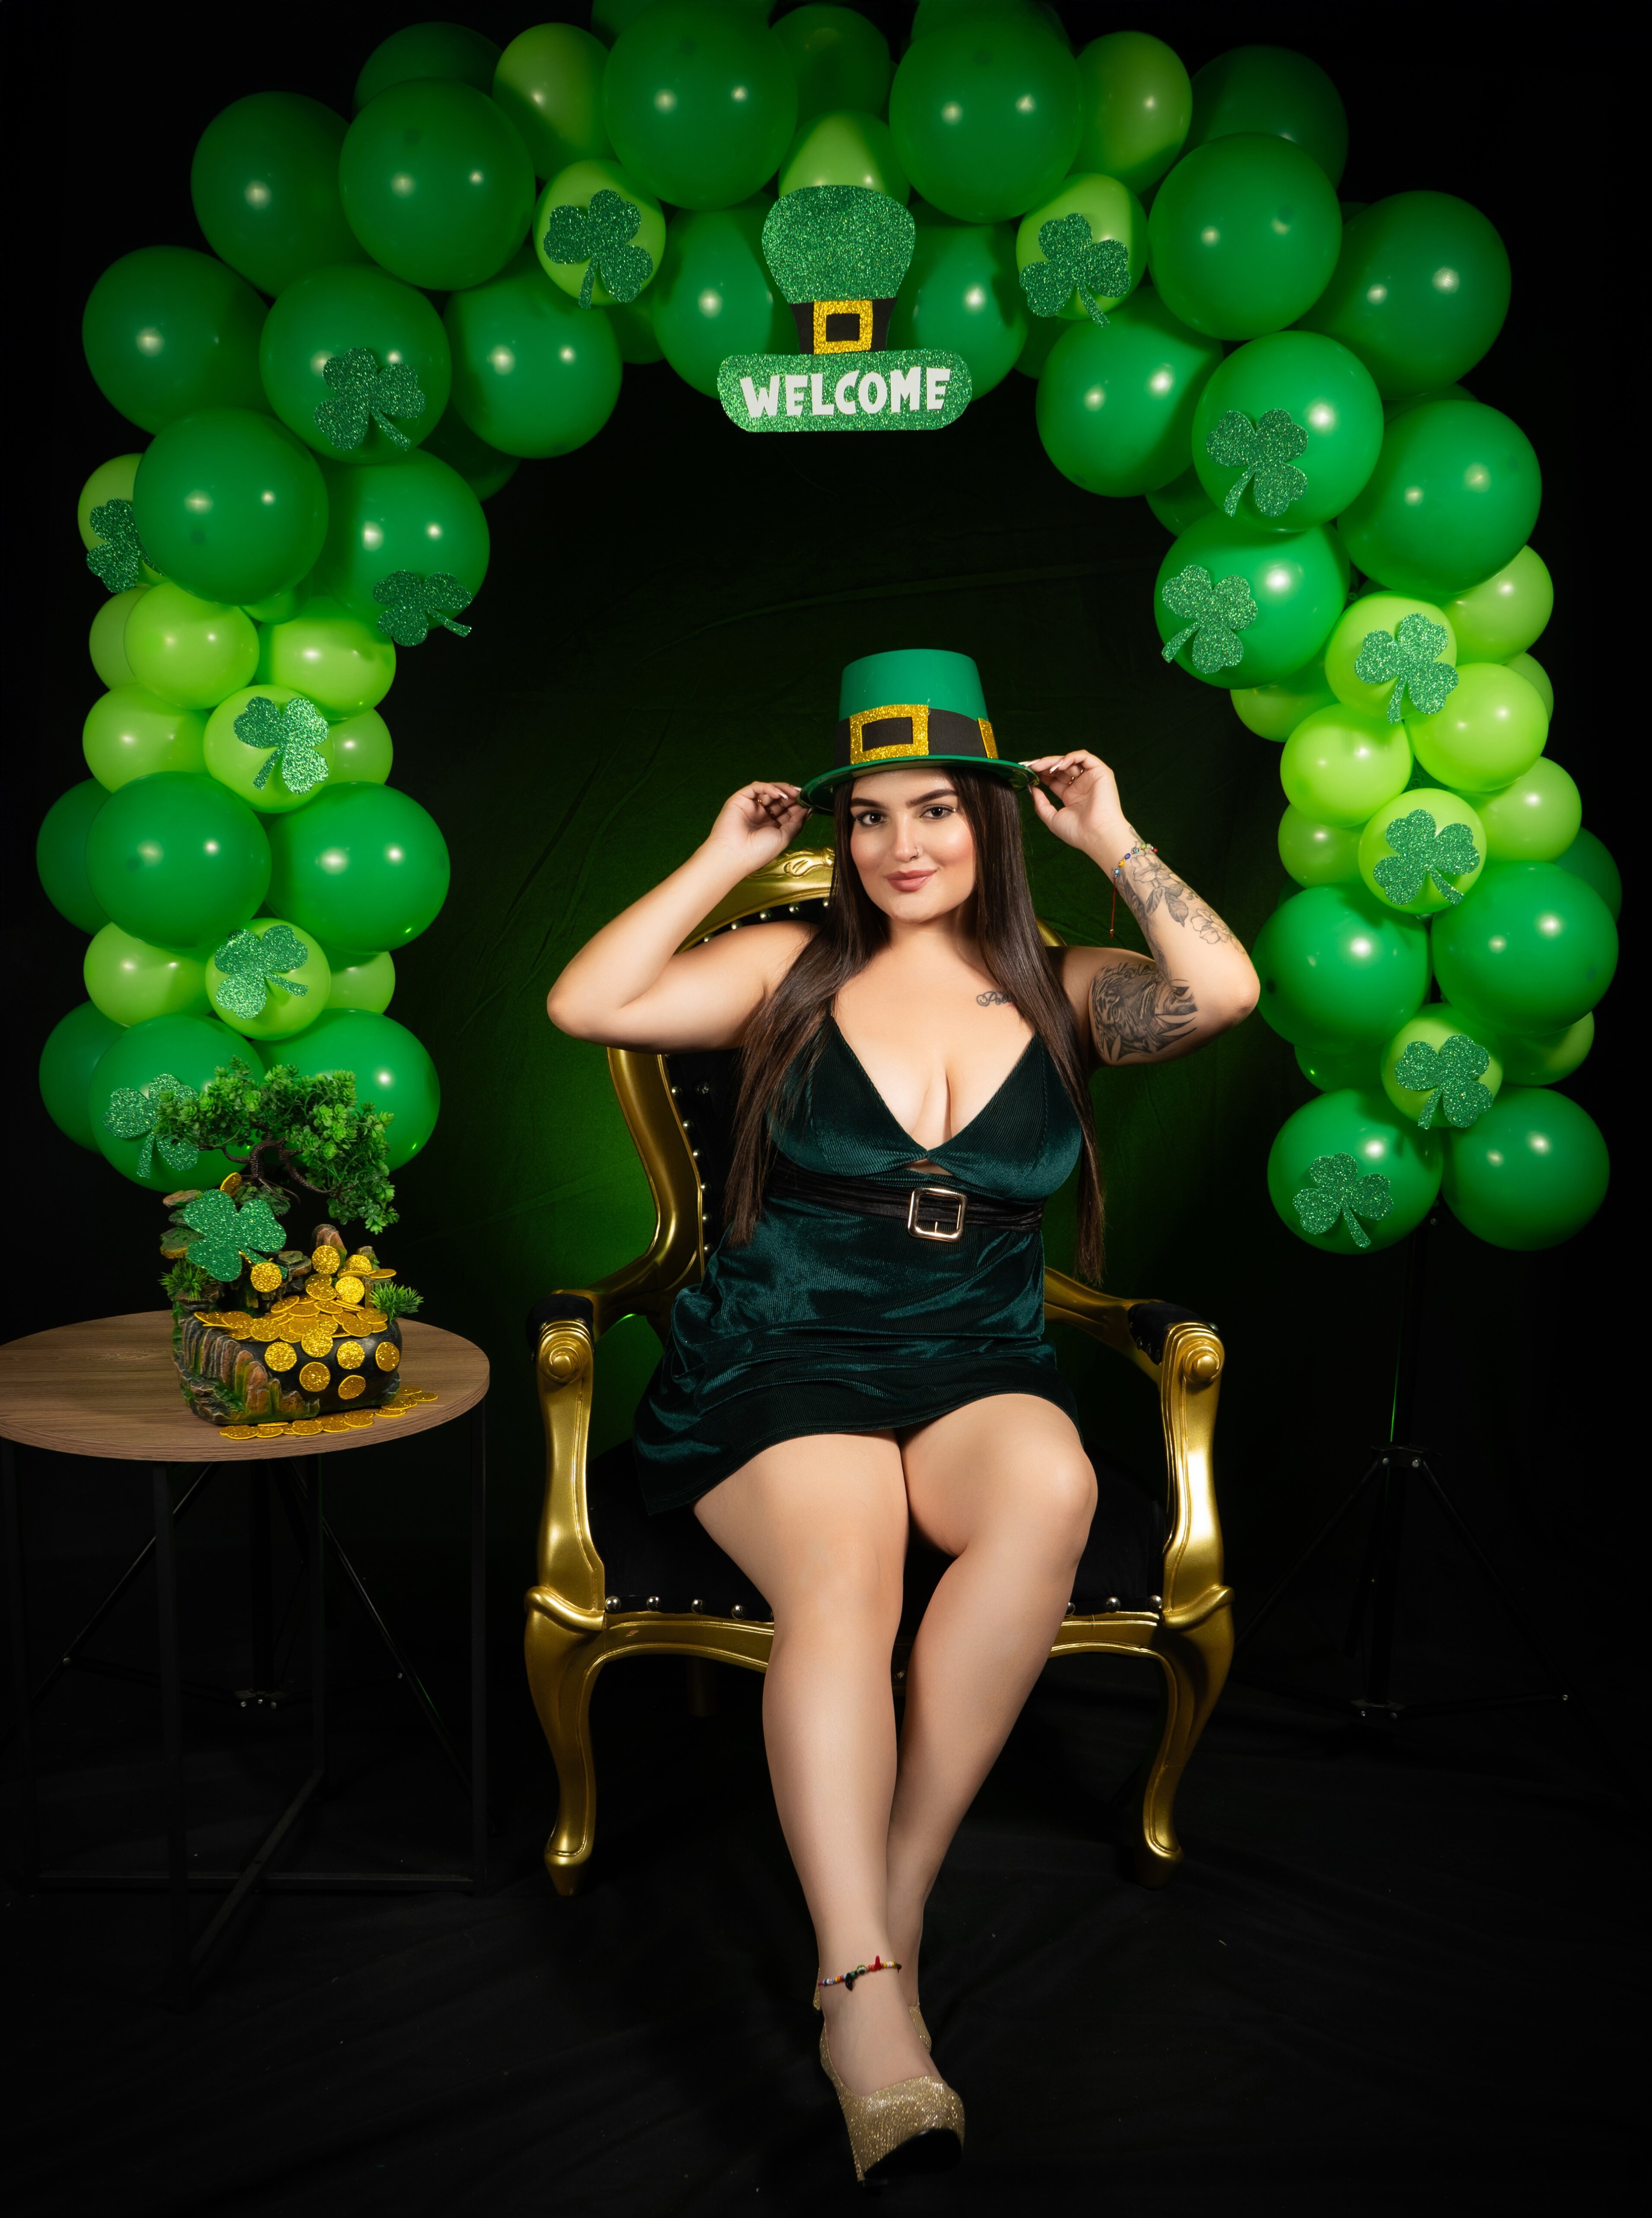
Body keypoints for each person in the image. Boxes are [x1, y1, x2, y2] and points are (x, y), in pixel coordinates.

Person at [547, 651, 1258, 2185]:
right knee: (851, 1553)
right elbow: (586, 1000)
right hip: (780, 1352)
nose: (900, 844)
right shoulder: (786, 962)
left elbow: (1223, 990)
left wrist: (1114, 836)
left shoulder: (1067, 987)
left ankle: (894, 1902)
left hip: (974, 1355)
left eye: (935, 808)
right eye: (867, 816)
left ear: (992, 818)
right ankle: (865, 1992)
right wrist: (725, 856)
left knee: (1054, 1488)